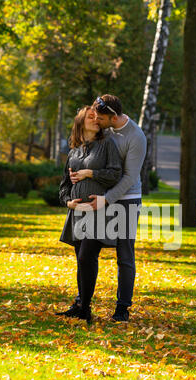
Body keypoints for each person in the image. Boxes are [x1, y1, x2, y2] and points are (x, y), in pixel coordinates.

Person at [69, 95, 147, 322]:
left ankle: (122, 308)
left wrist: (107, 200)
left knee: (124, 254)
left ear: (112, 117)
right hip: (100, 198)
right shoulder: (105, 130)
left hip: (127, 198)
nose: (97, 120)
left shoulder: (136, 137)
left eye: (100, 118)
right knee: (87, 251)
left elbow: (130, 176)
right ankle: (81, 301)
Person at [56, 106, 122, 324]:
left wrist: (90, 173)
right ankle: (80, 306)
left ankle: (84, 308)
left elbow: (115, 174)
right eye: (90, 117)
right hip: (78, 212)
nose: (95, 119)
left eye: (97, 117)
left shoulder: (106, 145)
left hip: (98, 211)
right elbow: (65, 184)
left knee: (87, 257)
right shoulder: (74, 149)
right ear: (80, 122)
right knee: (80, 260)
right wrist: (68, 202)